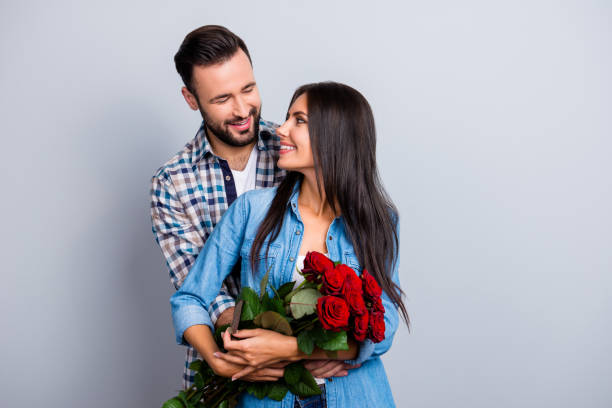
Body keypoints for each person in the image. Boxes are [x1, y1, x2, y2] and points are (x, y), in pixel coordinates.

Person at [171, 82, 409, 407]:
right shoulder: (251, 210)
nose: (280, 129)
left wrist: (290, 348)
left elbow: (385, 323)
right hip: (268, 398)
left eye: (299, 120)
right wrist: (216, 359)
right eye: (287, 117)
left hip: (356, 395)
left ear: (334, 136)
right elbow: (189, 297)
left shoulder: (379, 221)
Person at [151, 25, 350, 388]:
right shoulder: (171, 183)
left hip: (317, 373)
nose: (243, 109)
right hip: (223, 373)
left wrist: (298, 348)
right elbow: (196, 288)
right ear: (191, 99)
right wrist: (244, 352)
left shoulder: (295, 149)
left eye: (248, 89)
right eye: (222, 99)